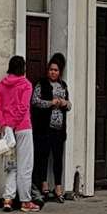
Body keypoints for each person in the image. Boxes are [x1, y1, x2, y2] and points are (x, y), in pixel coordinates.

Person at [0, 55, 38, 212]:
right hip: (23, 128)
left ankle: (8, 199)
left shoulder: (0, 86)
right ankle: (25, 201)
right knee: (25, 165)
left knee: (10, 165)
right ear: (23, 68)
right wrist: (14, 123)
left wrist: (5, 125)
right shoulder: (26, 85)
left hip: (7, 131)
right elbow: (23, 107)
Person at [32, 53, 72, 203]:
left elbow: (69, 104)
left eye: (55, 70)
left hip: (59, 128)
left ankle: (58, 187)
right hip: (44, 127)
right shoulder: (41, 84)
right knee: (43, 157)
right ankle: (44, 186)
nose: (53, 72)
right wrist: (50, 103)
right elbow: (35, 101)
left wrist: (64, 103)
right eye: (51, 70)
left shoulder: (63, 85)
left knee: (57, 158)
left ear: (59, 72)